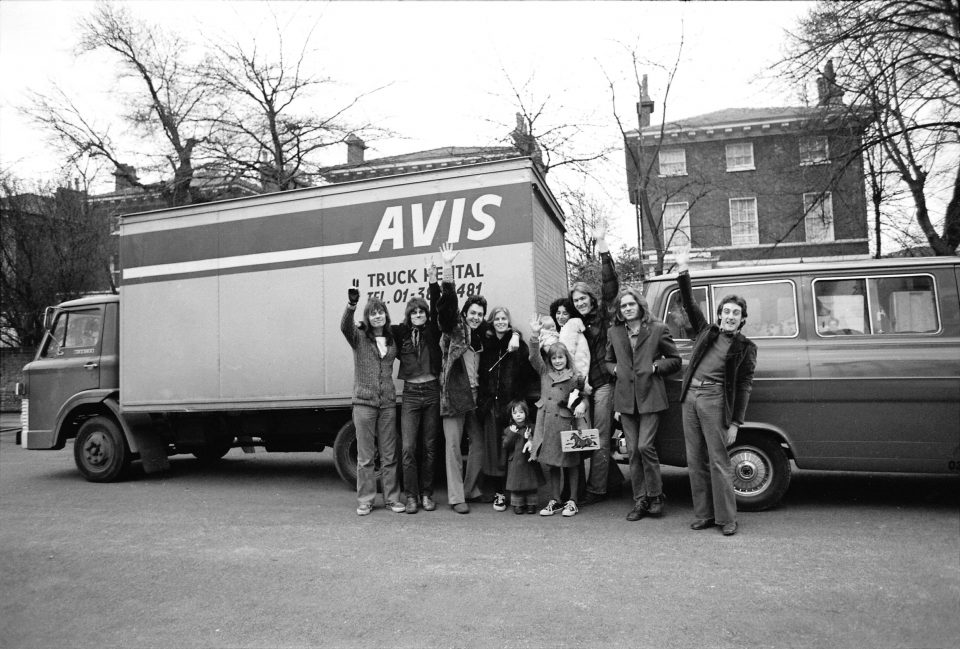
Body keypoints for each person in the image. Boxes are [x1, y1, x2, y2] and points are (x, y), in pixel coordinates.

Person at [675, 247, 757, 536]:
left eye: (736, 313)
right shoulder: (706, 331)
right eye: (726, 312)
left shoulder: (746, 348)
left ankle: (727, 519)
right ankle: (704, 515)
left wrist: (735, 422)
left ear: (742, 319)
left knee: (719, 462)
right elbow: (688, 303)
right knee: (694, 459)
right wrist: (683, 270)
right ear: (719, 315)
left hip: (713, 400)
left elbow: (745, 386)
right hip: (690, 400)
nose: (730, 316)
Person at [605, 286, 681, 521]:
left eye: (631, 304)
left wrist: (656, 367)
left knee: (644, 447)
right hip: (626, 399)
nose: (627, 309)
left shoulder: (657, 329)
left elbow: (675, 360)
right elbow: (608, 361)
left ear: (639, 305)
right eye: (623, 306)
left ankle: (656, 496)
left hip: (651, 397)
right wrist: (615, 369)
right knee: (633, 451)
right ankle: (640, 500)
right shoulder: (614, 332)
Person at [570, 222, 624, 505]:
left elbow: (611, 287)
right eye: (575, 299)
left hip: (603, 384)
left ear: (591, 298)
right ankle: (611, 478)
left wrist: (602, 246)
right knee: (584, 435)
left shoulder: (603, 316)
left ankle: (596, 489)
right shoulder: (574, 324)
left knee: (599, 436)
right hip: (583, 387)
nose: (580, 302)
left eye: (583, 298)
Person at [437, 243, 491, 514]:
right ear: (465, 313)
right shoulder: (455, 329)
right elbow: (446, 309)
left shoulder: (482, 336)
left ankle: (471, 489)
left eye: (480, 315)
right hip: (454, 394)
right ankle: (457, 497)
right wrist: (448, 269)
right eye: (472, 313)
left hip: (474, 396)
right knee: (453, 448)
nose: (476, 317)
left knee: (478, 445)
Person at [340, 284, 404, 516]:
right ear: (368, 317)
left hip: (387, 403)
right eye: (373, 312)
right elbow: (345, 327)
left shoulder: (392, 340)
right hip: (364, 403)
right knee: (365, 457)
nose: (378, 315)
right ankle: (366, 500)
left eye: (381, 312)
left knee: (389, 455)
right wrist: (352, 306)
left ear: (385, 315)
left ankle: (392, 499)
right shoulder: (359, 338)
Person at [391, 265, 442, 513]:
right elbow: (377, 327)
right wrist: (362, 324)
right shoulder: (400, 332)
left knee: (430, 447)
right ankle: (411, 496)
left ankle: (426, 494)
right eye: (415, 311)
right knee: (408, 447)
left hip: (432, 392)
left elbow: (439, 304)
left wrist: (433, 282)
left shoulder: (433, 330)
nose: (419, 314)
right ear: (409, 314)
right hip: (411, 394)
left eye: (422, 311)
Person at [528, 318, 588, 518]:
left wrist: (581, 404)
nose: (558, 361)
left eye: (561, 357)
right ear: (550, 360)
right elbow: (533, 357)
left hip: (566, 425)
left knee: (571, 464)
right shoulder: (544, 372)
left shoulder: (574, 376)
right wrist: (535, 335)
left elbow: (584, 397)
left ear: (567, 358)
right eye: (554, 358)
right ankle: (555, 500)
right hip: (547, 424)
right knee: (552, 463)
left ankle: (572, 500)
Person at [473, 306, 529, 511]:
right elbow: (476, 327)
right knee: (494, 451)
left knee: (514, 448)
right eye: (497, 319)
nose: (500, 322)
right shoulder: (485, 342)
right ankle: (498, 493)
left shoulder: (517, 344)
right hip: (491, 405)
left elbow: (525, 369)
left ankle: (515, 490)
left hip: (512, 405)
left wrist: (516, 335)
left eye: (504, 318)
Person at [501, 400, 543, 514]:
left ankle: (531, 504)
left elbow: (538, 442)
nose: (518, 415)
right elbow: (505, 445)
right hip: (515, 461)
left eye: (521, 412)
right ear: (511, 415)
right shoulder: (508, 429)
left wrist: (529, 438)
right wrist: (512, 434)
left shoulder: (532, 428)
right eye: (515, 413)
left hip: (529, 461)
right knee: (516, 485)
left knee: (531, 484)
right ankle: (517, 504)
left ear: (526, 413)